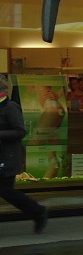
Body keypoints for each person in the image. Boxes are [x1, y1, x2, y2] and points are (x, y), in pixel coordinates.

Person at [0, 74, 49, 233]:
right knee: (5, 191)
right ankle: (37, 212)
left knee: (6, 191)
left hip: (8, 157)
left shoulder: (10, 107)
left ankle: (38, 211)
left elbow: (20, 131)